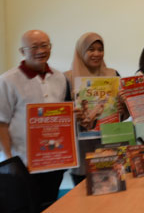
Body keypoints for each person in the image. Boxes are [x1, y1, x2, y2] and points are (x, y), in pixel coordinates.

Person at [0, 30, 68, 211]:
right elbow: (1, 123)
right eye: (34, 47)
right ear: (22, 51)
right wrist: (10, 162)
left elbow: (59, 114)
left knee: (50, 205)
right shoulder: (7, 80)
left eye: (45, 45)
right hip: (23, 165)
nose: (41, 50)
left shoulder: (60, 77)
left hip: (54, 161)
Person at [64, 32, 128, 185]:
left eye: (100, 49)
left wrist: (122, 109)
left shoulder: (113, 75)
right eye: (91, 49)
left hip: (110, 148)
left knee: (113, 196)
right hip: (82, 152)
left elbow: (122, 116)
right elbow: (62, 117)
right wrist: (74, 115)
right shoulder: (67, 78)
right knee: (84, 202)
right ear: (81, 51)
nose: (97, 53)